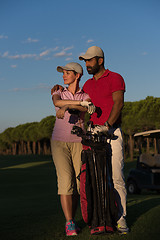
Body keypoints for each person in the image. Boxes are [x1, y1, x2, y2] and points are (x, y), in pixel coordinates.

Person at [78, 46, 129, 234]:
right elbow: (82, 105)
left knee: (116, 177)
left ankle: (121, 219)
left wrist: (107, 125)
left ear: (100, 60)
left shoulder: (115, 78)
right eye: (85, 61)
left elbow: (119, 103)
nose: (87, 64)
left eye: (90, 60)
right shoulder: (88, 85)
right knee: (96, 179)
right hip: (93, 137)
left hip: (112, 134)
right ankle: (102, 218)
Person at [50, 62, 95, 236]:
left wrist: (68, 106)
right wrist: (75, 104)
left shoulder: (87, 95)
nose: (63, 76)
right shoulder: (58, 90)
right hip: (59, 142)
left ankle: (74, 219)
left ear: (77, 75)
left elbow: (86, 106)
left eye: (67, 73)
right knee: (65, 182)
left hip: (79, 142)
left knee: (78, 184)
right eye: (63, 73)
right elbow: (57, 101)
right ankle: (69, 223)